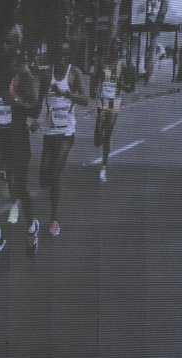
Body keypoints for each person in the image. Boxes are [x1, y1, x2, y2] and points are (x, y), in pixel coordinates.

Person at [0, 27, 41, 263]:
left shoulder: (23, 73)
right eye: (2, 43)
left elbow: (35, 109)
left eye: (8, 43)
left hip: (18, 137)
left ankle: (31, 226)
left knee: (18, 189)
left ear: (17, 46)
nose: (4, 47)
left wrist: (14, 101)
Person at [37, 43, 89, 237]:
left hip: (66, 131)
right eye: (57, 56)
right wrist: (32, 119)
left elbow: (85, 99)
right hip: (50, 131)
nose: (60, 60)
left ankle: (54, 219)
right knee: (44, 178)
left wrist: (67, 94)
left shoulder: (74, 73)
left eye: (64, 57)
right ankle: (53, 191)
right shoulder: (45, 75)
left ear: (68, 58)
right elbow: (38, 102)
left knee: (56, 172)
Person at [93, 42, 126, 183]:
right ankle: (100, 147)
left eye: (118, 51)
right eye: (114, 50)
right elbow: (99, 80)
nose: (116, 53)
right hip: (103, 99)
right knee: (98, 135)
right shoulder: (103, 63)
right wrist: (97, 93)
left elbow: (124, 83)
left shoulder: (121, 66)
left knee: (107, 135)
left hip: (114, 101)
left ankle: (104, 166)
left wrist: (122, 86)